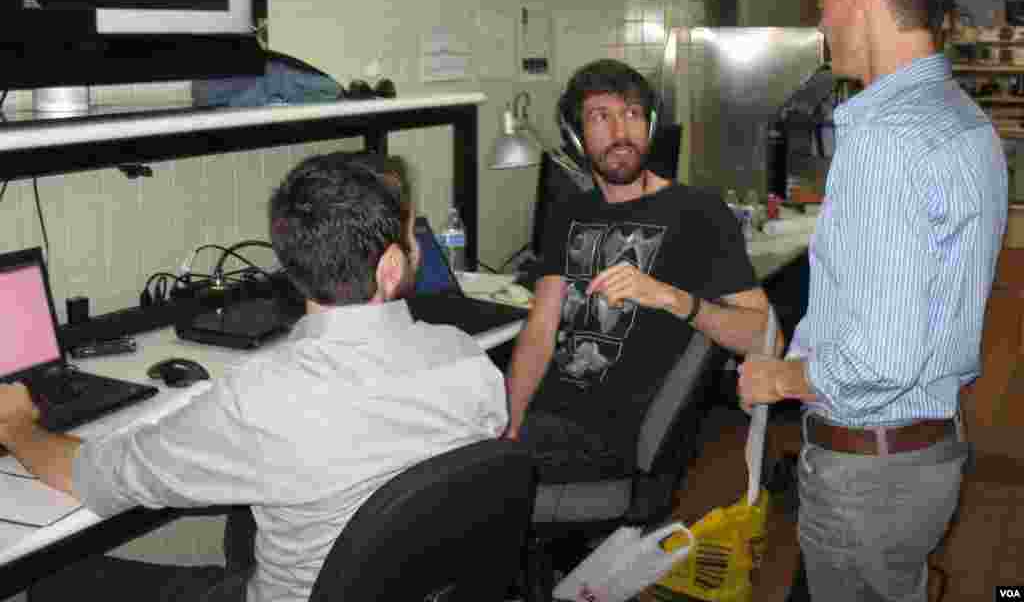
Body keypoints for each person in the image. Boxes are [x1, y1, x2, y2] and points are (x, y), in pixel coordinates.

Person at [0, 153, 507, 602]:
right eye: (412, 237)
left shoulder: (262, 398)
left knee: (58, 583)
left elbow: (94, 476)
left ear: (290, 261)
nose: (419, 248)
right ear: (391, 267)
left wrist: (18, 426)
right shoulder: (467, 361)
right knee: (244, 530)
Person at [737, 0, 1008, 602]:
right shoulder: (963, 120)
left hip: (868, 475)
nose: (822, 23)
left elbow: (880, 359)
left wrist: (778, 379)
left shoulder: (885, 139)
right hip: (925, 457)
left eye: (822, 0)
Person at [503, 58, 774, 481]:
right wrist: (512, 426)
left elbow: (766, 339)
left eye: (632, 114)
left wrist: (672, 298)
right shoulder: (569, 214)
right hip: (546, 424)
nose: (620, 133)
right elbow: (539, 333)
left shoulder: (699, 213)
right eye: (601, 117)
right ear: (576, 137)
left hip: (610, 437)